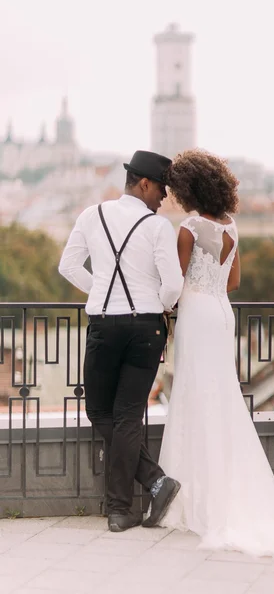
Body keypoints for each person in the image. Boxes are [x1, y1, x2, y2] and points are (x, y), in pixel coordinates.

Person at [155, 149, 274, 564]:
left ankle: (193, 493)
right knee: (221, 395)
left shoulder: (188, 228)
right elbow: (233, 281)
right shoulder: (231, 227)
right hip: (220, 313)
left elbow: (176, 282)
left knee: (195, 395)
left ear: (189, 189)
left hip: (196, 313)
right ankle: (224, 488)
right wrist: (209, 287)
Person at [59, 150, 184, 532]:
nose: (164, 197)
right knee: (127, 414)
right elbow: (174, 285)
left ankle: (121, 509)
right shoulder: (157, 226)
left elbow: (67, 266)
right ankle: (153, 484)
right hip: (146, 328)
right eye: (162, 188)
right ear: (144, 183)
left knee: (100, 411)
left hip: (103, 325)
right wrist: (154, 306)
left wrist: (102, 291)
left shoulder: (90, 215)